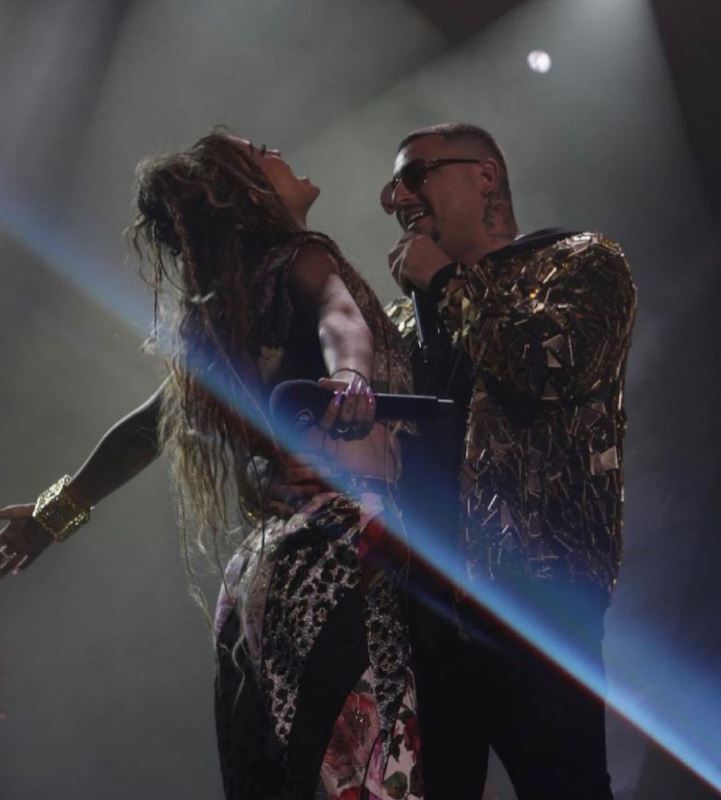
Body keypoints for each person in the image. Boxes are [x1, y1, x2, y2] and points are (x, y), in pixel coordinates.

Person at [0, 131, 424, 800]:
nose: (279, 150)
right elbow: (339, 316)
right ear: (250, 193)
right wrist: (350, 374)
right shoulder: (305, 258)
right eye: (262, 150)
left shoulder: (225, 320)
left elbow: (145, 431)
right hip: (347, 561)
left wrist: (53, 515)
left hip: (268, 577)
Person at [383, 123, 637, 800]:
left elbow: (553, 364)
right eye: (393, 186)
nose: (396, 198)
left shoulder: (580, 262)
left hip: (538, 600)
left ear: (485, 176)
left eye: (415, 175)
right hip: (425, 613)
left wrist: (445, 284)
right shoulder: (402, 319)